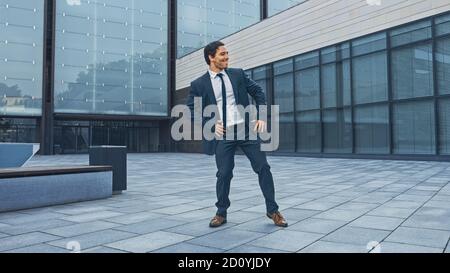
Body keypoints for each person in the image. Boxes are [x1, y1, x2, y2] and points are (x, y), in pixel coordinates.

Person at [186, 41, 288, 228]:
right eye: (222, 54)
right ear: (211, 57)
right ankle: (221, 213)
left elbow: (258, 92)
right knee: (224, 174)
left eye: (227, 54)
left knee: (263, 167)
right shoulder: (199, 84)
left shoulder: (237, 74)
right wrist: (209, 124)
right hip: (223, 134)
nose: (227, 57)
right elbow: (192, 109)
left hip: (245, 129)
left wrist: (262, 116)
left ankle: (273, 210)